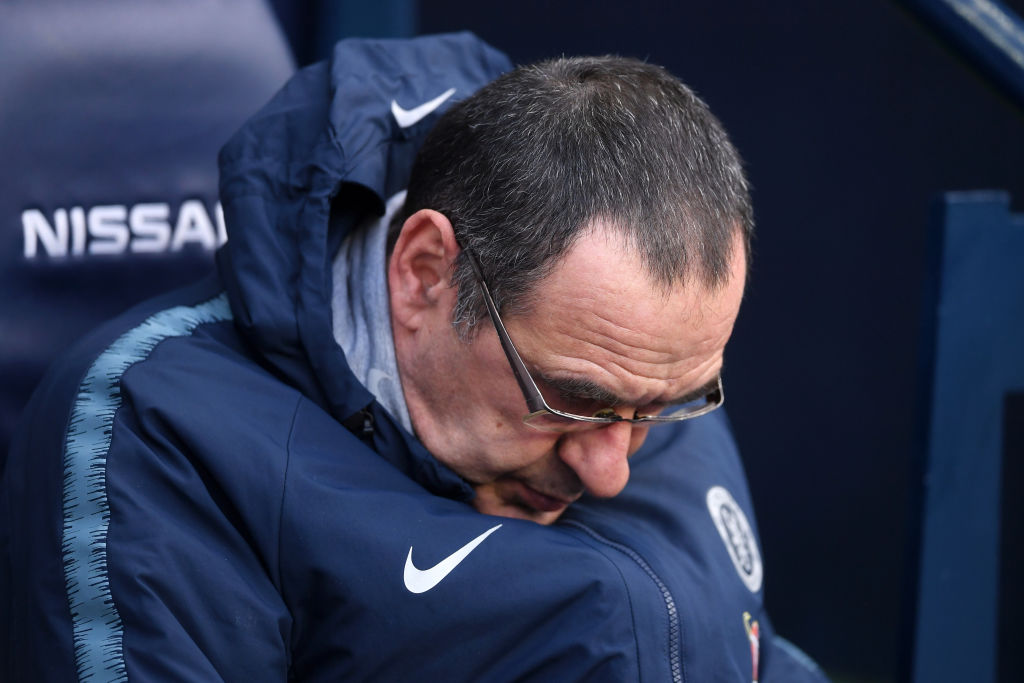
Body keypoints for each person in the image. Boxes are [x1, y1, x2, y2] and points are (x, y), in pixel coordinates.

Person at [1, 32, 828, 681]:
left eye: (667, 406)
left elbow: (728, 642)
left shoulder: (622, 365)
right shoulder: (160, 436)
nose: (612, 467)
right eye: (568, 399)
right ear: (424, 273)